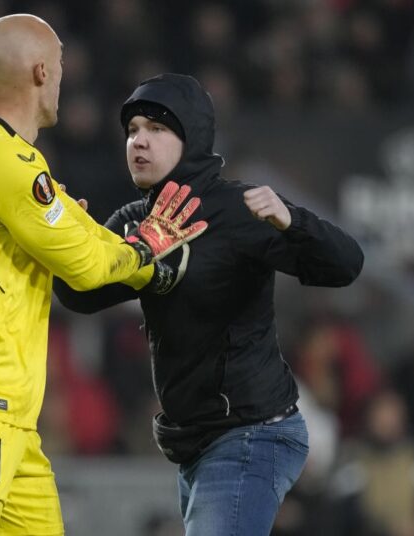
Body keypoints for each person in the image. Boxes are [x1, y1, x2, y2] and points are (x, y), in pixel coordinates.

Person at [0, 18, 207, 536]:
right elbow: (86, 264)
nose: (64, 79)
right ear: (42, 71)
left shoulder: (4, 159)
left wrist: (119, 247)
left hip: (10, 422)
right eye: (60, 66)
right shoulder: (3, 162)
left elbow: (84, 240)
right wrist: (147, 251)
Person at [53, 73, 364, 535]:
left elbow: (346, 265)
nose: (139, 141)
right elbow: (79, 296)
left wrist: (294, 220)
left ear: (192, 137)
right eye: (133, 129)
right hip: (198, 443)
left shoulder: (238, 209)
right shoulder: (138, 221)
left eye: (158, 129)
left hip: (252, 432)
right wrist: (70, 243)